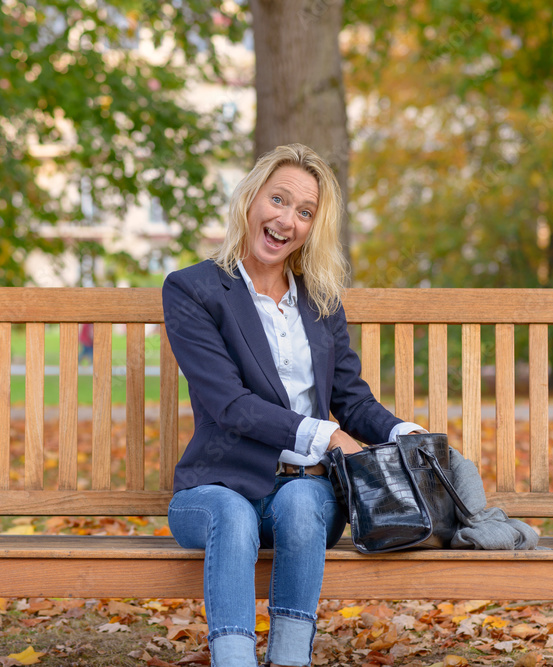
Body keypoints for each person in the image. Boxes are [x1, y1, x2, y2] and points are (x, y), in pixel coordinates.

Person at [161, 144, 427, 667]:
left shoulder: (320, 298)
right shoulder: (193, 289)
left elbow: (350, 399)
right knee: (233, 516)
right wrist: (324, 435)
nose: (286, 219)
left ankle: (289, 660)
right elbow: (230, 404)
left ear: (313, 227)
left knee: (305, 506)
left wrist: (402, 433)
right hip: (217, 487)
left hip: (301, 489)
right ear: (251, 199)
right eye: (278, 200)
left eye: (304, 212)